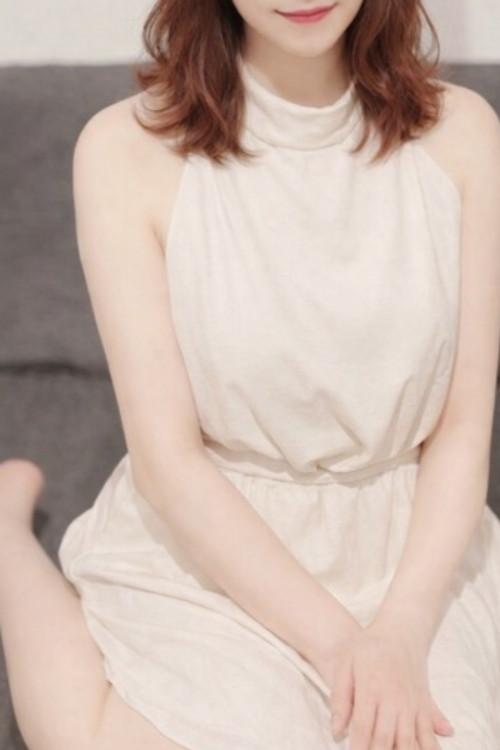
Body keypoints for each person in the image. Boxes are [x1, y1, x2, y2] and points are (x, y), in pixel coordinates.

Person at [1, 0, 500, 748]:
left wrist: (397, 630)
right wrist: (340, 646)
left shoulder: (463, 133)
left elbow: (462, 430)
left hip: (409, 552)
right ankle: (6, 531)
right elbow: (168, 464)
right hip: (219, 537)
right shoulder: (121, 149)